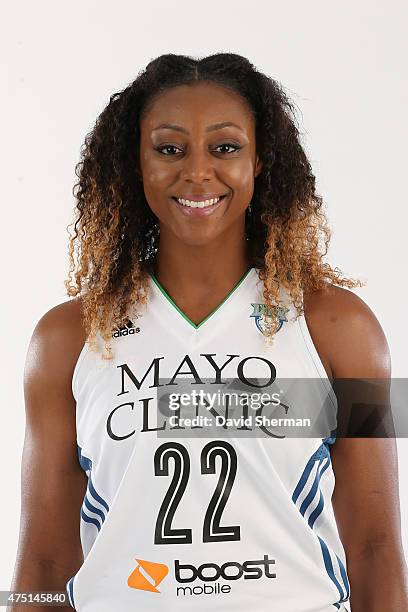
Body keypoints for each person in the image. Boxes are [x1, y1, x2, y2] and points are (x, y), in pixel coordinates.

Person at [9, 53, 408, 612]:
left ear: (260, 160)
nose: (197, 172)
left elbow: (376, 547)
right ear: (136, 163)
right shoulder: (66, 339)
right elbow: (43, 565)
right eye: (170, 149)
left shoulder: (344, 328)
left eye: (225, 148)